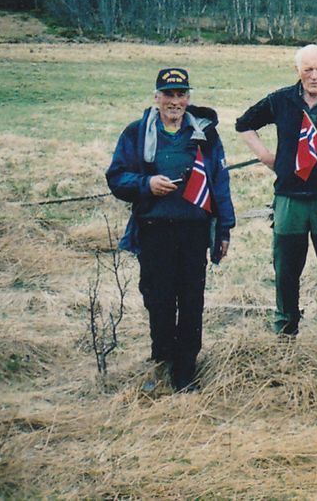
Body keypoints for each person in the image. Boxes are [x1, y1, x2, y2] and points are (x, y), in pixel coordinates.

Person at [106, 68, 235, 393]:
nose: (174, 102)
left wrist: (224, 230)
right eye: (168, 95)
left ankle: (186, 371)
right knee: (158, 299)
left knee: (191, 300)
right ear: (156, 97)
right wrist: (146, 184)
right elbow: (116, 177)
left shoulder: (205, 135)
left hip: (194, 231)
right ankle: (163, 359)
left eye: (180, 95)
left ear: (188, 98)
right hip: (154, 230)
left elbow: (219, 182)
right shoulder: (136, 133)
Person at [235, 45, 317, 340]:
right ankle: (285, 333)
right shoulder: (281, 101)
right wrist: (269, 158)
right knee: (287, 271)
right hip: (290, 199)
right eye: (308, 70)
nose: (314, 76)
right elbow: (244, 124)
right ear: (298, 72)